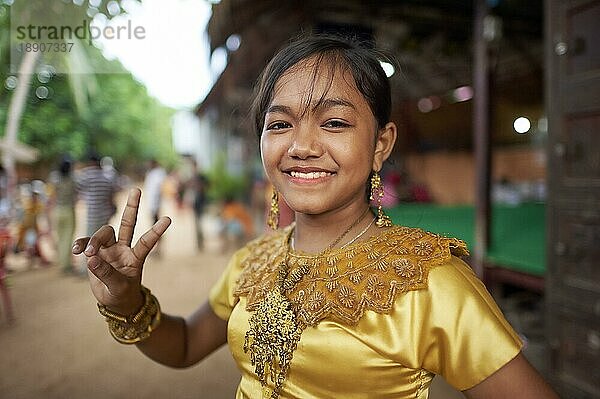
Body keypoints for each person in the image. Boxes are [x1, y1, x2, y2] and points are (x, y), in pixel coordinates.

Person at [73, 35, 558, 398]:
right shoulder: (253, 262)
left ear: (380, 144)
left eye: (334, 122)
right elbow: (181, 347)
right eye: (280, 124)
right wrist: (126, 300)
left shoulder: (429, 282)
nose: (301, 147)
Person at [50, 157, 77, 274]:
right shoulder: (72, 179)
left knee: (60, 237)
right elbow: (76, 194)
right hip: (68, 210)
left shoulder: (54, 178)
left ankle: (62, 262)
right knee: (67, 238)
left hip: (57, 210)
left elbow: (52, 195)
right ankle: (65, 265)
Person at [143, 159, 167, 256]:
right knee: (154, 226)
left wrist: (157, 205)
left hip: (156, 204)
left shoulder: (158, 173)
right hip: (152, 204)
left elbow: (160, 188)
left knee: (157, 227)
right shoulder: (152, 173)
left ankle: (158, 249)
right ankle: (157, 248)